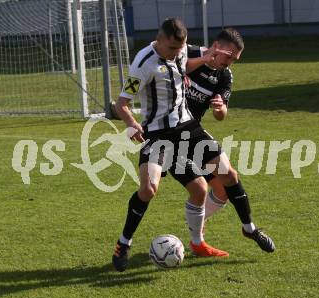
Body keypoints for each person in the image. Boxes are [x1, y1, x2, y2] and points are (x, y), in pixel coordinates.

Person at [111, 18, 230, 272]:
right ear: (161, 39)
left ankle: (198, 243)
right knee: (149, 189)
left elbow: (188, 63)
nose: (178, 54)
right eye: (173, 49)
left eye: (181, 49)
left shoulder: (182, 50)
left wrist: (211, 55)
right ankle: (123, 243)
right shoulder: (143, 63)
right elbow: (121, 103)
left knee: (199, 190)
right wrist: (132, 124)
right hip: (155, 136)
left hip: (181, 133)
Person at [182, 28, 276, 253]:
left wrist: (219, 107)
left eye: (235, 60)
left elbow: (221, 115)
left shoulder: (224, 75)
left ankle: (244, 229)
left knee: (226, 184)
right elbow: (171, 67)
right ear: (216, 46)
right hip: (168, 131)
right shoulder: (189, 53)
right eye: (229, 56)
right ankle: (124, 243)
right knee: (159, 188)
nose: (230, 62)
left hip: (192, 132)